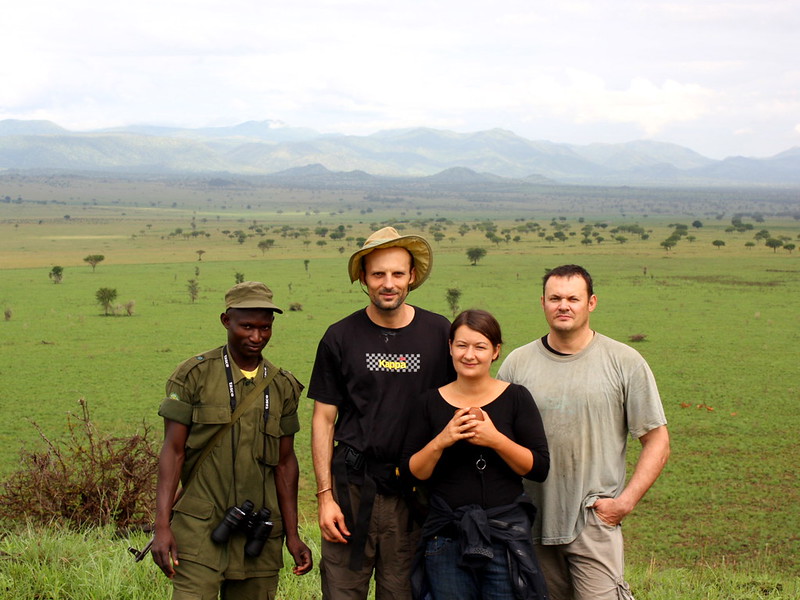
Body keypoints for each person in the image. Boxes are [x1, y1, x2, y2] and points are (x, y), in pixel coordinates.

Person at [497, 265, 670, 600]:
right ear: (542, 303)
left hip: (593, 518)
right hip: (531, 519)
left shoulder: (624, 361)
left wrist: (624, 503)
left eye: (573, 298)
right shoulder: (518, 364)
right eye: (555, 298)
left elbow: (657, 440)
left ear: (591, 303)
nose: (564, 305)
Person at [309, 226, 455, 600]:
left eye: (396, 274)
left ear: (411, 277)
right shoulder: (339, 336)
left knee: (403, 592)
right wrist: (325, 498)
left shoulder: (440, 333)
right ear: (363, 277)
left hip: (413, 491)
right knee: (342, 592)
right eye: (378, 274)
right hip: (352, 490)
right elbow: (324, 419)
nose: (388, 283)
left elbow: (459, 407)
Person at [152, 281, 313, 600]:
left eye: (265, 328)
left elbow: (285, 464)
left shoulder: (283, 386)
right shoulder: (193, 376)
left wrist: (293, 535)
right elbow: (173, 452)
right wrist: (161, 526)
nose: (256, 337)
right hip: (199, 529)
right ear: (227, 321)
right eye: (247, 326)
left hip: (259, 532)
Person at [403, 309, 550, 600]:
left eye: (480, 347)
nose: (470, 355)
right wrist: (442, 440)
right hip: (446, 537)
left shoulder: (516, 398)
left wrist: (495, 439)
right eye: (462, 345)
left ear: (495, 352)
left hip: (503, 536)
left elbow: (539, 468)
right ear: (450, 347)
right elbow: (413, 472)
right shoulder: (429, 402)